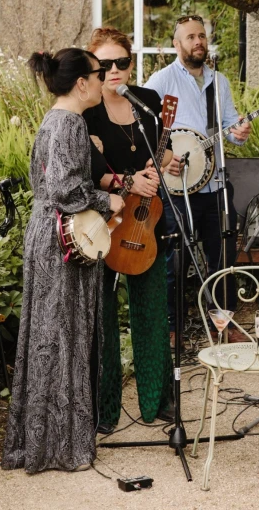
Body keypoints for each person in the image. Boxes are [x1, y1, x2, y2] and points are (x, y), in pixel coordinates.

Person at [2, 48, 124, 474]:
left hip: (44, 234)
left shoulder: (53, 119)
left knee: (46, 337)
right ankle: (61, 445)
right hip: (63, 240)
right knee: (65, 335)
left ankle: (39, 441)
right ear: (81, 83)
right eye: (99, 71)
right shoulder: (71, 123)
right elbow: (66, 193)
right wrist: (108, 199)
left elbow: (49, 185)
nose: (105, 76)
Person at [83, 27, 174, 431]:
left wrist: (168, 162)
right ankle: (104, 409)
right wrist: (126, 181)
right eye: (105, 64)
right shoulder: (87, 109)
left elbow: (162, 148)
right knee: (102, 317)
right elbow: (86, 171)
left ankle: (157, 401)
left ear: (131, 63)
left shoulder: (149, 101)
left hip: (147, 220)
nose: (115, 70)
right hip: (105, 223)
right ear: (93, 67)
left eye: (122, 62)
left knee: (153, 311)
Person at [144, 15, 251, 345]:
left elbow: (231, 127)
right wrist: (162, 161)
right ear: (177, 45)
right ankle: (172, 326)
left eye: (202, 35)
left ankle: (225, 322)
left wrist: (240, 132)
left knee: (223, 256)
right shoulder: (160, 82)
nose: (198, 41)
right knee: (173, 260)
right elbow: (144, 129)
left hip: (215, 184)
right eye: (190, 37)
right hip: (176, 189)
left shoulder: (219, 82)